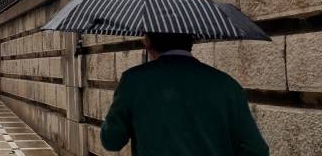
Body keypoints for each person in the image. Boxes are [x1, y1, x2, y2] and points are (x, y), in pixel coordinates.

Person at [101, 32, 269, 156]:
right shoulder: (226, 85)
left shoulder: (133, 81)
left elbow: (111, 141)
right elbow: (256, 150)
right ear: (191, 41)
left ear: (149, 42)